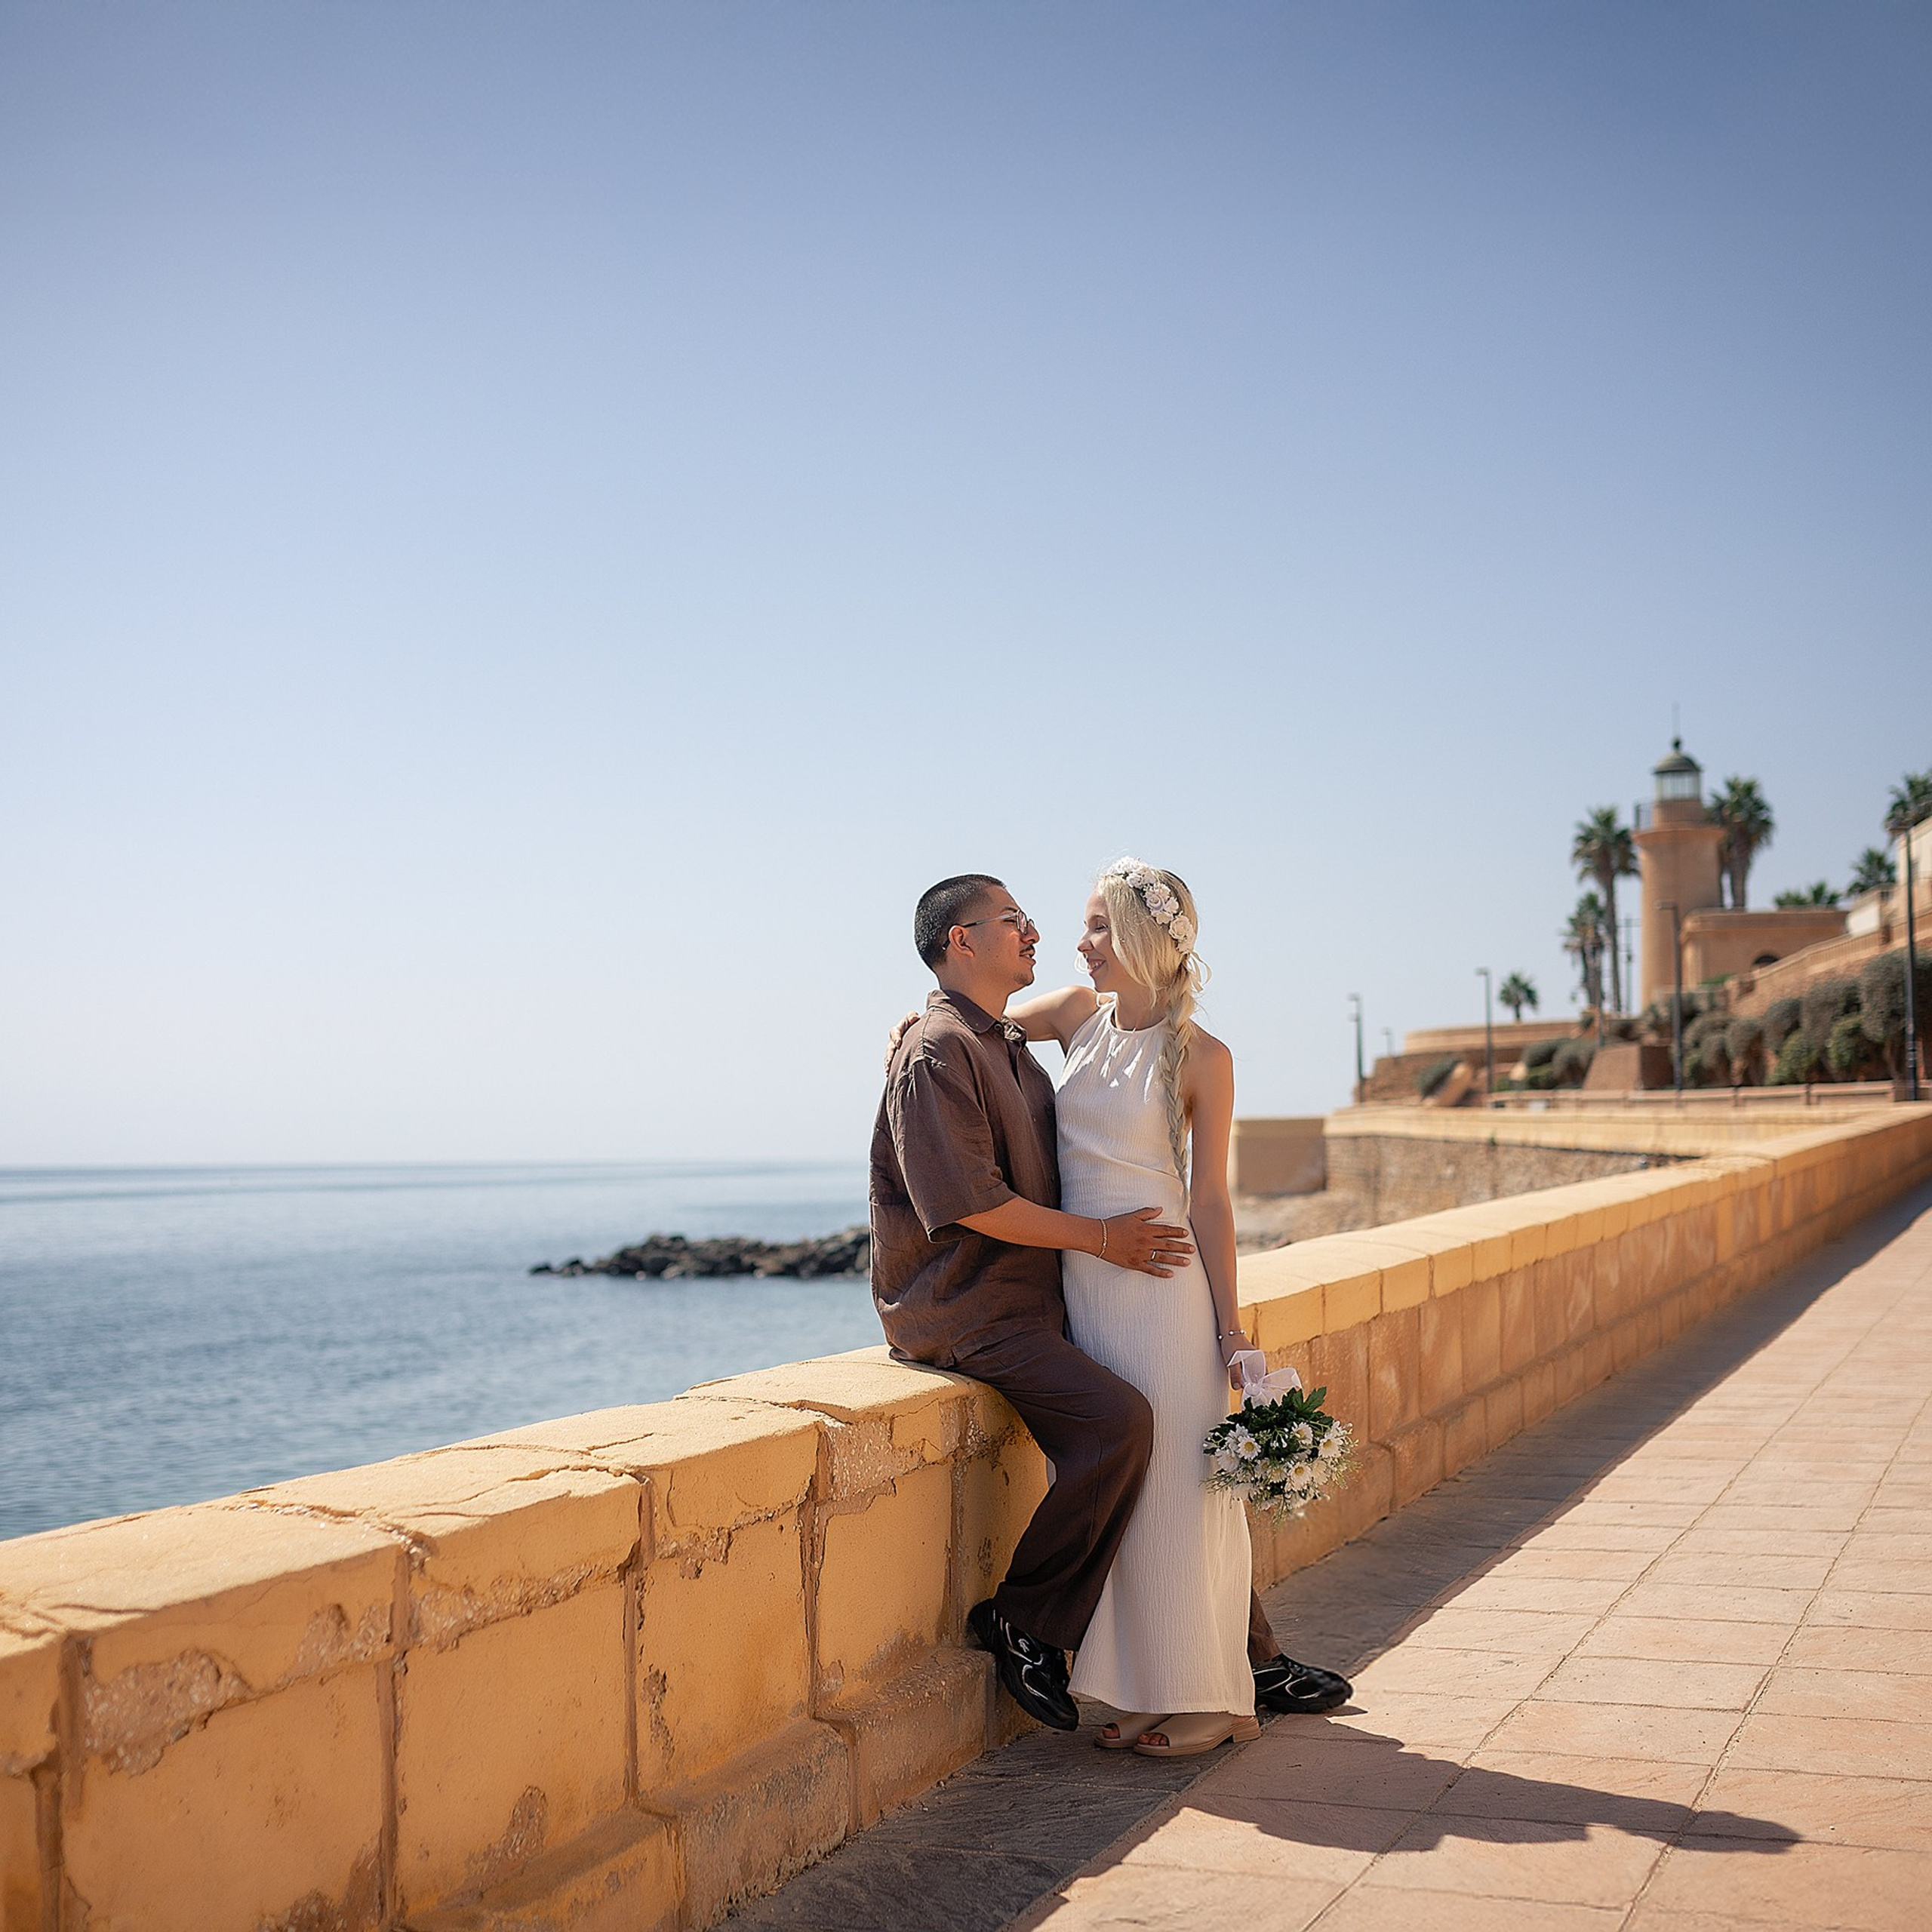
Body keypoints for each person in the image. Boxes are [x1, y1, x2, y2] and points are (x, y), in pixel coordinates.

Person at [869, 872, 1350, 1743]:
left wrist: (1230, 1330)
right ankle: (1163, 1682)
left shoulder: (1204, 1054)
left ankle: (1217, 1689)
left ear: (1138, 937)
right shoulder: (1070, 1015)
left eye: (1093, 928)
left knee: (1179, 1480)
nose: (1068, 939)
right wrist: (917, 1017)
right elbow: (967, 1022)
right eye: (1039, 923)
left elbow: (1212, 1204)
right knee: (1139, 1473)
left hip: (1156, 1277)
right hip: (1081, 1275)